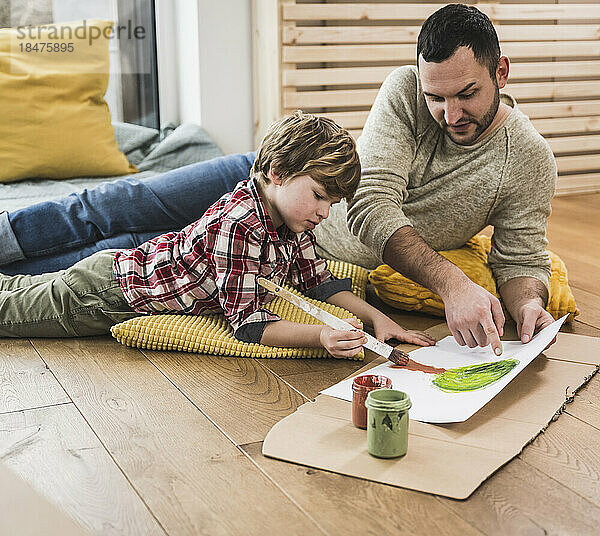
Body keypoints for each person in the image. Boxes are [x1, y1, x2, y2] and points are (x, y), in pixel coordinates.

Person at [0, 5, 555, 353]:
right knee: (117, 202)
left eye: (467, 96)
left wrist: (529, 300)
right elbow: (370, 205)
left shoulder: (527, 160)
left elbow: (523, 261)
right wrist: (450, 285)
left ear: (501, 72)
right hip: (274, 181)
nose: (450, 114)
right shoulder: (404, 91)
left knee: (128, 251)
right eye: (435, 98)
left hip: (293, 213)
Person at [0, 112, 435, 356]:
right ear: (279, 174)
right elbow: (248, 326)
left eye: (332, 205)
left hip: (113, 276)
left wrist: (377, 320)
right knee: (9, 312)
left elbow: (318, 280)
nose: (324, 213)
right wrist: (320, 336)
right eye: (320, 196)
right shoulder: (242, 224)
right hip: (104, 297)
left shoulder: (292, 220)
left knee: (17, 290)